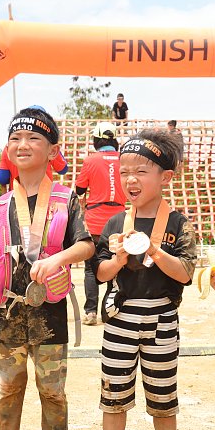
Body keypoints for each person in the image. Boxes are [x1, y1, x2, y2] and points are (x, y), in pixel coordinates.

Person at [0, 107, 94, 430]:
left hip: (49, 313)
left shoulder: (65, 199)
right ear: (7, 149)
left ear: (52, 150)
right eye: (15, 138)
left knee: (52, 389)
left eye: (33, 138)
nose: (22, 145)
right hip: (6, 313)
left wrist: (58, 258)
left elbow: (87, 245)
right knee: (8, 385)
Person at [91, 129, 197, 430]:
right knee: (113, 392)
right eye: (124, 172)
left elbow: (185, 274)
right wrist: (119, 258)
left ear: (165, 177)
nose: (130, 180)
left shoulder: (179, 225)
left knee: (163, 392)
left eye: (141, 171)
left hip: (161, 317)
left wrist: (153, 250)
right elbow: (100, 273)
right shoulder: (114, 224)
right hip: (121, 318)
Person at [75, 122, 125, 325]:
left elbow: (79, 189)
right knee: (117, 266)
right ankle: (110, 311)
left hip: (95, 222)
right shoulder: (124, 159)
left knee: (90, 268)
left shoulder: (90, 160)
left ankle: (90, 312)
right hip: (120, 221)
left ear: (96, 140)